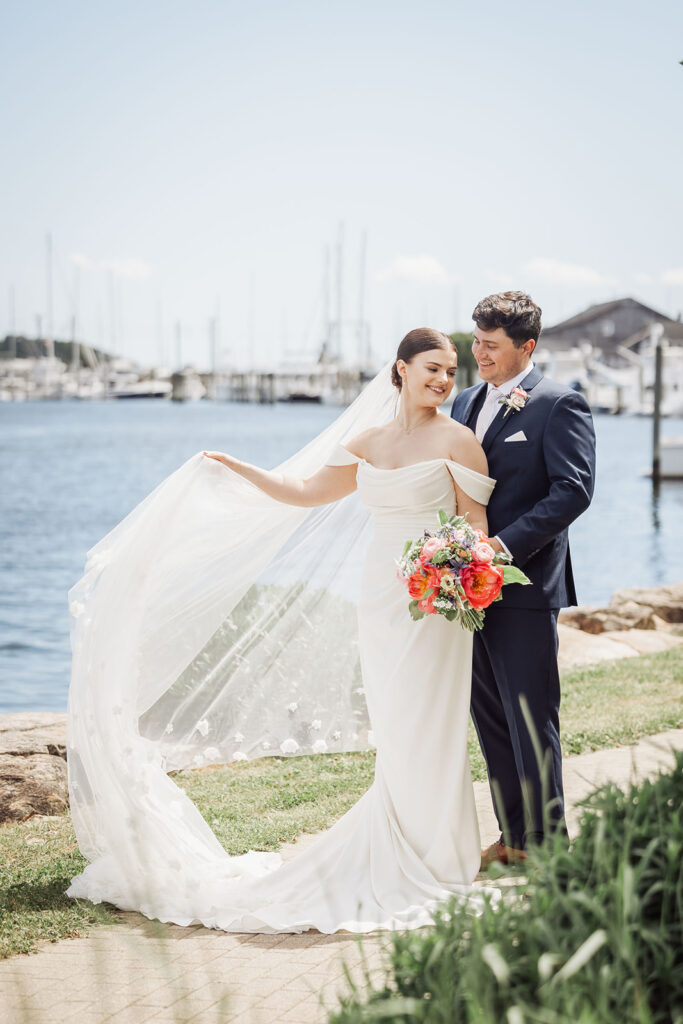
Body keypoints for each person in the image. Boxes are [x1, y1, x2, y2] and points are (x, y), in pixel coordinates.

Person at [66, 328, 496, 933]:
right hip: (379, 598)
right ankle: (400, 846)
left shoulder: (460, 441)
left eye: (452, 371)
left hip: (435, 606)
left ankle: (438, 857)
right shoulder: (368, 441)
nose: (445, 381)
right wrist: (238, 470)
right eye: (433, 368)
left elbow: (475, 523)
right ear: (400, 369)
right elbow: (305, 492)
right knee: (397, 727)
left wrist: (461, 569)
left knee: (432, 723)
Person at [451, 292, 596, 867]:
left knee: (531, 718)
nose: (478, 353)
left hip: (526, 586)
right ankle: (515, 841)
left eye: (491, 345)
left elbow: (573, 491)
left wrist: (502, 547)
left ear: (526, 347)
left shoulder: (560, 405)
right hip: (466, 591)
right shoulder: (463, 402)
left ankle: (551, 849)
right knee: (490, 719)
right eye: (476, 341)